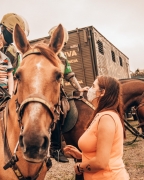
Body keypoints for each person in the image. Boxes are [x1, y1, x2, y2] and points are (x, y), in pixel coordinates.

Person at [63, 76, 130, 180]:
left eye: (93, 86)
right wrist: (82, 156)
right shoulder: (101, 114)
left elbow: (101, 163)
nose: (89, 90)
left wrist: (80, 166)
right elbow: (104, 153)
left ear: (102, 92)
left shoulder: (107, 118)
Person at [48, 26, 89, 163]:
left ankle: (59, 144)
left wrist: (79, 88)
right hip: (45, 91)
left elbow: (69, 75)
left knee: (64, 108)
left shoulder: (63, 57)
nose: (61, 45)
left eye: (63, 43)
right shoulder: (45, 52)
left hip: (58, 91)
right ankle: (54, 148)